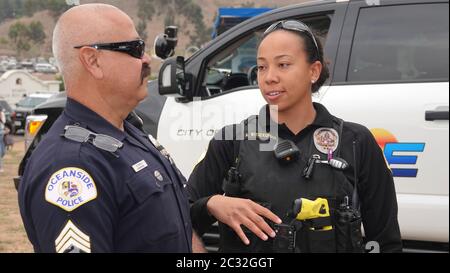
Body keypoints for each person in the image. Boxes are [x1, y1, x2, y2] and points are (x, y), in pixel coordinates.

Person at [187, 20, 402, 253]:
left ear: (314, 71)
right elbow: (180, 215)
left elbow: (385, 241)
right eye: (261, 67)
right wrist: (212, 204)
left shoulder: (356, 141)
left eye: (283, 64)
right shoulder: (231, 140)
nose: (269, 77)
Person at [18, 4, 192, 253]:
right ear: (92, 61)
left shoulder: (129, 131)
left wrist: (207, 206)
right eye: (135, 49)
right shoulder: (72, 166)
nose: (147, 59)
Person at [0, 107, 5, 172]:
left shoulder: (2, 113)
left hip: (1, 132)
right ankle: (1, 167)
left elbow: (4, 122)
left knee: (2, 151)